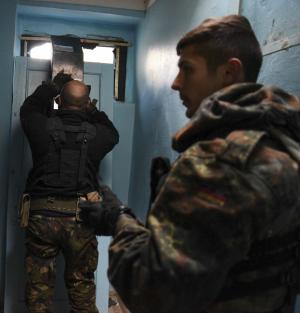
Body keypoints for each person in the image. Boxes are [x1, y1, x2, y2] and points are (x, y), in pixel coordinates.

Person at [79, 14, 300, 313]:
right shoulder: (284, 143)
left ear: (229, 72)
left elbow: (152, 290)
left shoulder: (220, 162)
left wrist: (118, 219)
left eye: (187, 69)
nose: (175, 82)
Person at [19, 76, 119, 313]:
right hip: (81, 219)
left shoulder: (41, 125)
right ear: (86, 104)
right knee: (81, 287)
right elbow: (112, 132)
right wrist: (91, 109)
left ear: (59, 101)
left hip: (42, 217)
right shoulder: (99, 135)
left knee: (38, 289)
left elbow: (29, 108)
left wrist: (52, 86)